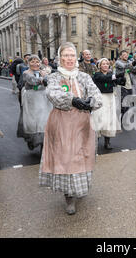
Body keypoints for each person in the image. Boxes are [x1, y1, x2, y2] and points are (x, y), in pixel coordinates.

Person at [39, 42, 102, 215]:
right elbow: (53, 94)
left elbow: (96, 94)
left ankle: (79, 187)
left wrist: (91, 102)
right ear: (60, 58)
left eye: (72, 55)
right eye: (65, 55)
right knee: (66, 158)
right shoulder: (54, 77)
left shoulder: (84, 77)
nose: (69, 58)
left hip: (83, 124)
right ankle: (68, 196)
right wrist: (73, 100)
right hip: (62, 123)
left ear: (76, 58)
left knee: (82, 155)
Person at [17, 55, 52, 152]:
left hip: (43, 99)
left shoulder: (43, 71)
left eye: (37, 62)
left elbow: (50, 80)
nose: (35, 64)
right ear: (28, 63)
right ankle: (31, 140)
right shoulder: (26, 73)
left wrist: (46, 76)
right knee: (32, 122)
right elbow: (32, 81)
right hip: (32, 100)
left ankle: (43, 144)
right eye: (32, 62)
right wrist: (43, 78)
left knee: (44, 120)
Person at [92, 58, 125, 150]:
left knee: (109, 119)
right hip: (100, 97)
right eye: (103, 64)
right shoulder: (97, 74)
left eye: (107, 64)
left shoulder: (111, 74)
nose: (106, 65)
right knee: (99, 119)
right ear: (100, 66)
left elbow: (118, 82)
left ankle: (107, 142)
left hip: (110, 97)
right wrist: (116, 76)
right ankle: (95, 142)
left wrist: (122, 79)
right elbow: (104, 78)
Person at [114, 50, 133, 115]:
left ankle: (125, 116)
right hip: (121, 84)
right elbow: (124, 66)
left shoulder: (129, 62)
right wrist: (132, 64)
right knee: (122, 102)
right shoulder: (118, 62)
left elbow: (135, 69)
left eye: (127, 55)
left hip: (129, 83)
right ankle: (121, 117)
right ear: (120, 56)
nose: (126, 56)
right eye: (124, 55)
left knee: (128, 101)